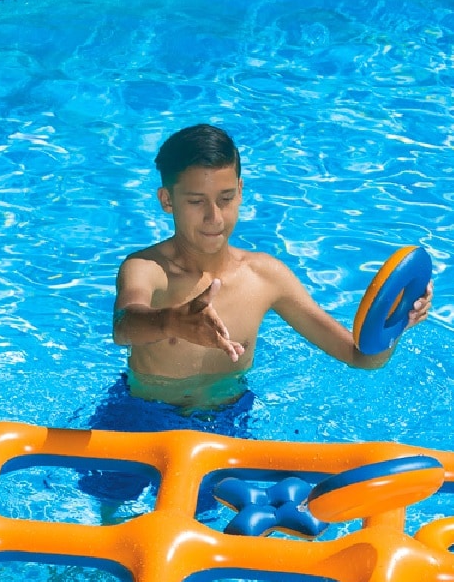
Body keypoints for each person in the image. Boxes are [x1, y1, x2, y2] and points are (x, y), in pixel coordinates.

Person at [103, 123, 434, 421]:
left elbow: (360, 357)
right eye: (195, 201)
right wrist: (172, 321)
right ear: (167, 200)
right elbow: (123, 326)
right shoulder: (147, 269)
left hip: (227, 419)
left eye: (225, 198)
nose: (214, 217)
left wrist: (396, 323)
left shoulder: (265, 277)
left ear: (240, 191)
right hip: (141, 414)